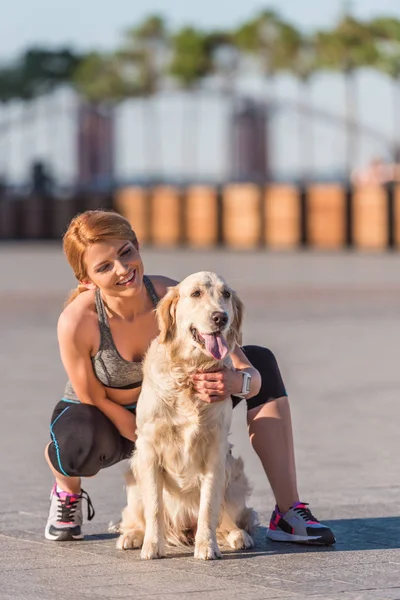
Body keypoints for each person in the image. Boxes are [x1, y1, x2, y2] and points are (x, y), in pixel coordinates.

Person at [44, 209, 335, 546]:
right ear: (86, 280)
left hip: (175, 411)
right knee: (76, 437)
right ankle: (66, 493)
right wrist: (147, 439)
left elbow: (249, 372)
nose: (123, 270)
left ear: (137, 246)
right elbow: (94, 397)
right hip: (110, 418)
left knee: (263, 360)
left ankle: (288, 512)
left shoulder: (176, 295)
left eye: (126, 252)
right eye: (104, 267)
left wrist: (234, 383)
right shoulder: (78, 321)